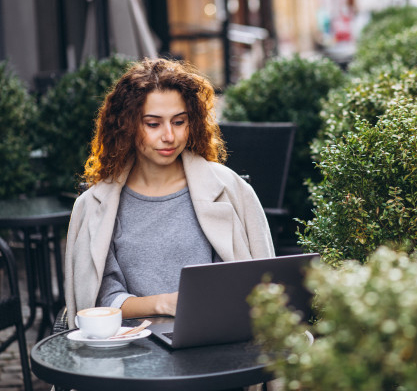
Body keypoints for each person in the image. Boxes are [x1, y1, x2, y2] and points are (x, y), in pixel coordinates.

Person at [63, 58, 275, 328]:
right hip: (130, 353)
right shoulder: (95, 205)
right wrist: (164, 304)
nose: (169, 136)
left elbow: (259, 284)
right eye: (153, 124)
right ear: (127, 126)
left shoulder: (230, 190)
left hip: (216, 341)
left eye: (179, 122)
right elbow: (99, 299)